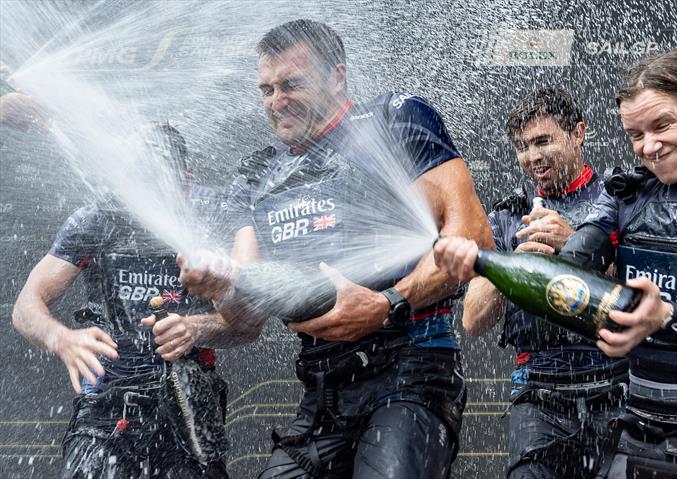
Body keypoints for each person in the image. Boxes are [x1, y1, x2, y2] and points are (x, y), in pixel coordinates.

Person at [433, 50, 677, 478]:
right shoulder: (625, 194)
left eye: (662, 125)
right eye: (635, 134)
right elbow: (568, 273)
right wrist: (484, 261)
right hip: (645, 428)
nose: (649, 147)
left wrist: (665, 317)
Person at [178, 19, 492, 478]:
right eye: (266, 89)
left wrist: (388, 304)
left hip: (410, 372)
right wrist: (219, 287)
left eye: (291, 84)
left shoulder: (394, 117)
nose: (276, 101)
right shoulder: (257, 174)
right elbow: (243, 317)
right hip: (322, 393)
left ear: (337, 76)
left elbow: (474, 234)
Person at [12, 123, 231, 478]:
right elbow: (25, 307)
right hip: (106, 403)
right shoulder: (96, 221)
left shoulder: (210, 218)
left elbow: (244, 325)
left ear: (186, 178)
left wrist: (196, 328)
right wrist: (62, 338)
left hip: (189, 403)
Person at [463, 86, 627, 478]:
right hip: (538, 390)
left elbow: (646, 293)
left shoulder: (620, 198)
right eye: (522, 147)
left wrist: (574, 246)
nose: (532, 157)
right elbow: (472, 321)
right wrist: (515, 266)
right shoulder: (507, 216)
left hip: (619, 384)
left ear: (578, 133)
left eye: (543, 141)